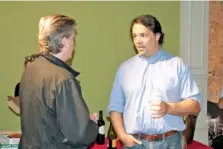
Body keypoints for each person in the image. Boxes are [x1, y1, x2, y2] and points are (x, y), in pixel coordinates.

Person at [107, 14, 201, 149]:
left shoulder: (177, 65)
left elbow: (195, 106)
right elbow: (115, 107)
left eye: (143, 35)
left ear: (157, 36)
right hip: (135, 144)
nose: (138, 41)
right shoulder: (124, 69)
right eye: (134, 36)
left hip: (170, 143)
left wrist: (168, 107)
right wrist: (122, 136)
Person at [18, 14, 98, 149]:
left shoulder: (31, 67)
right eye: (73, 39)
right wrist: (91, 124)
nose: (74, 44)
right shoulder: (63, 79)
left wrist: (80, 120)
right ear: (65, 41)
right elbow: (79, 135)